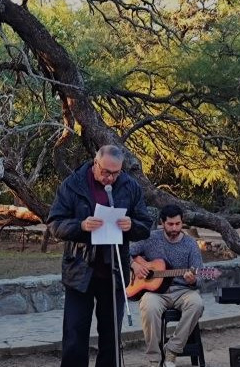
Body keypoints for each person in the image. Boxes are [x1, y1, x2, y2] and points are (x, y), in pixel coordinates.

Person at [48, 145, 152, 367]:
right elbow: (55, 224)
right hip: (80, 270)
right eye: (105, 172)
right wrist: (81, 225)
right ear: (95, 164)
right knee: (75, 334)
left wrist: (132, 225)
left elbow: (145, 225)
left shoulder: (130, 186)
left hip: (113, 272)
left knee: (111, 336)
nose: (110, 178)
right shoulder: (73, 184)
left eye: (116, 173)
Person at [129, 204, 204, 367]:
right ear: (162, 223)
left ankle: (172, 350)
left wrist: (194, 280)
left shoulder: (190, 244)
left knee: (197, 304)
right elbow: (125, 252)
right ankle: (154, 359)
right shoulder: (150, 237)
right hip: (155, 292)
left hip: (182, 291)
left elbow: (201, 277)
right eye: (170, 224)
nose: (174, 228)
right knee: (148, 307)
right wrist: (134, 265)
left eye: (178, 224)